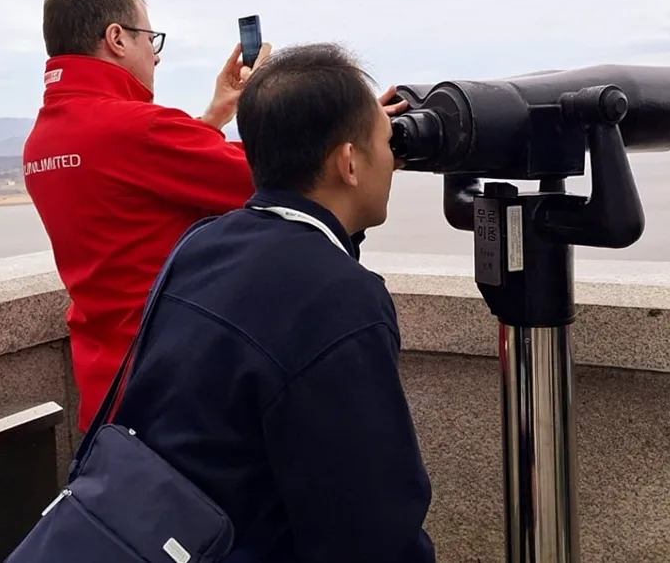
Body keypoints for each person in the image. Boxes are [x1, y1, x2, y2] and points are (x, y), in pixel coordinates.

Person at [112, 42, 435, 562]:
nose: (394, 159)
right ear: (349, 163)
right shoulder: (340, 300)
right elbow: (371, 527)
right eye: (387, 142)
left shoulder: (203, 244)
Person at [22, 0, 272, 432]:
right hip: (174, 388)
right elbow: (276, 177)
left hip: (105, 386)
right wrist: (355, 136)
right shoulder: (133, 127)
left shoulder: (43, 139)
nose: (154, 58)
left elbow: (143, 180)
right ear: (116, 38)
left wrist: (214, 116)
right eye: (148, 40)